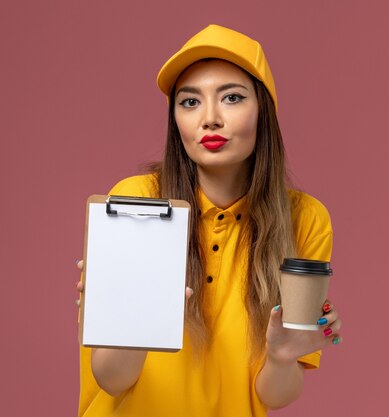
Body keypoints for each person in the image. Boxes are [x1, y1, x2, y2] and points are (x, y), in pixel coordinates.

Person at [76, 24, 342, 416]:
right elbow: (112, 379)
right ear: (176, 121)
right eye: (189, 102)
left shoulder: (305, 220)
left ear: (263, 111)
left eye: (232, 98)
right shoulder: (138, 201)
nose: (210, 119)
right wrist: (127, 314)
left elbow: (274, 395)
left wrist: (283, 357)